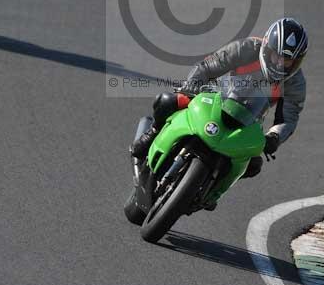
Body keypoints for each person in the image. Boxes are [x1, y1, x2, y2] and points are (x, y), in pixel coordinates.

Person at [132, 17, 308, 184]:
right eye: (276, 56)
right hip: (218, 96)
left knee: (253, 165)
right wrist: (192, 85)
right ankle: (153, 132)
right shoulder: (246, 47)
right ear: (266, 47)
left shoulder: (295, 83)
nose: (279, 64)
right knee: (167, 101)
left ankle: (211, 187)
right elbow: (208, 66)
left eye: (287, 61)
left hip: (250, 120)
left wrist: (274, 137)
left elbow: (288, 118)